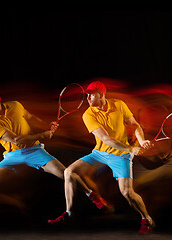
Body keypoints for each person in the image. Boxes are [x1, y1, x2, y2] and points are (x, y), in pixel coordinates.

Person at [0, 90, 100, 232]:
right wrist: (42, 135)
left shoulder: (15, 105)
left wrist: (45, 125)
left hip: (34, 151)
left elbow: (29, 117)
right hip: (12, 157)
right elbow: (16, 139)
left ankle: (91, 194)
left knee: (66, 173)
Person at [48, 81, 154, 235]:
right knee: (69, 172)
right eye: (87, 95)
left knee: (127, 192)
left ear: (102, 95)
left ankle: (147, 219)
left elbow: (135, 125)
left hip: (120, 156)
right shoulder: (88, 114)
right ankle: (71, 212)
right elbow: (106, 139)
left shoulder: (119, 105)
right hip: (100, 153)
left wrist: (142, 141)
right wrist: (132, 148)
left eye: (91, 95)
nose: (88, 98)